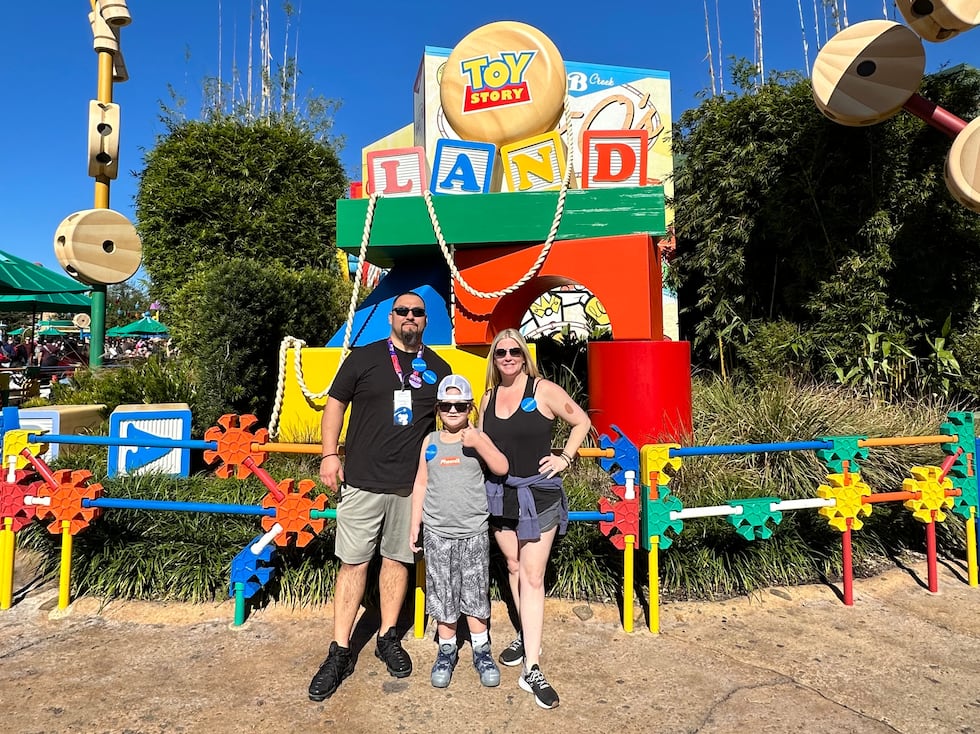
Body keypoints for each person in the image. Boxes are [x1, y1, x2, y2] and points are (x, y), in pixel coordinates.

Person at [309, 291, 452, 702]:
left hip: (409, 489)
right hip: (362, 483)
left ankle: (388, 636)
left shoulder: (438, 369)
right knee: (353, 564)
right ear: (392, 317)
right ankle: (339, 649)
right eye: (403, 311)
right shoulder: (363, 357)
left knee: (398, 561)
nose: (410, 317)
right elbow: (334, 406)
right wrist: (329, 455)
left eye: (418, 312)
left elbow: (454, 421)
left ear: (426, 320)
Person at [478, 328, 591, 710]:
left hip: (538, 495)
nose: (507, 357)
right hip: (500, 495)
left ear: (524, 355)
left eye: (514, 351)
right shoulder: (488, 397)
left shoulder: (542, 390)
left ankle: (533, 665)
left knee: (532, 575)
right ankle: (528, 634)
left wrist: (566, 458)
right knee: (512, 565)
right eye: (500, 352)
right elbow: (480, 442)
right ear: (494, 359)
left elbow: (582, 422)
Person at [409, 374, 509, 689]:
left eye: (460, 405)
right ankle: (447, 649)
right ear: (438, 409)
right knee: (443, 593)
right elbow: (421, 483)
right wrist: (415, 524)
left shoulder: (478, 437)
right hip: (438, 533)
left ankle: (481, 648)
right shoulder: (430, 442)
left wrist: (479, 441)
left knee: (475, 591)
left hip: (473, 532)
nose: (453, 411)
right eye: (447, 405)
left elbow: (501, 466)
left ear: (469, 408)